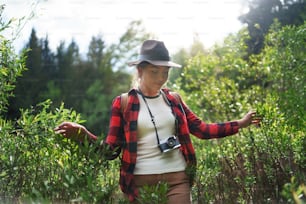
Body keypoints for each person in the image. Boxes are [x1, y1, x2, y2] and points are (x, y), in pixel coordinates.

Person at [54, 40, 260, 203]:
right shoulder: (124, 103)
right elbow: (110, 151)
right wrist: (82, 135)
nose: (161, 78)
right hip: (139, 186)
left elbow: (202, 129)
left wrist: (240, 124)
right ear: (140, 71)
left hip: (177, 180)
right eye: (155, 72)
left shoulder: (174, 100)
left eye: (165, 72)